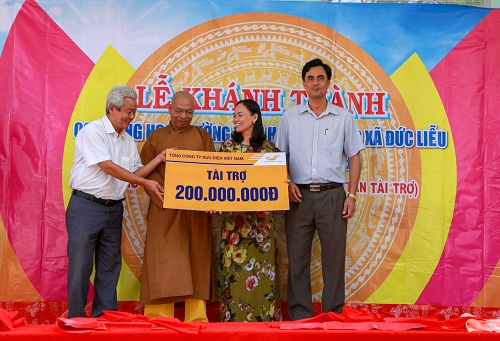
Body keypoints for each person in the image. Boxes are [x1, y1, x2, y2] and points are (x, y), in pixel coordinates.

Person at [274, 58, 364, 320]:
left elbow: (355, 157)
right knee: (297, 259)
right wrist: (287, 182)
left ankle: (332, 315)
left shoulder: (343, 117)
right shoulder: (290, 117)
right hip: (297, 196)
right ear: (304, 83)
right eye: (310, 78)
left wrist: (353, 195)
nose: (315, 83)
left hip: (334, 196)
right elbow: (280, 155)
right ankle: (300, 316)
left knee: (333, 260)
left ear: (328, 83)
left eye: (320, 78)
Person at [66, 85, 165, 318]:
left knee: (110, 266)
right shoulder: (93, 131)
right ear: (112, 108)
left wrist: (158, 160)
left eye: (134, 112)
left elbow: (135, 173)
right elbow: (108, 167)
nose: (132, 117)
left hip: (113, 208)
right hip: (85, 207)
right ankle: (77, 317)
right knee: (81, 266)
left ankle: (105, 316)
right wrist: (146, 184)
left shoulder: (128, 140)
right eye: (128, 112)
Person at [139, 90, 215, 322]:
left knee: (196, 258)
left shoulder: (203, 136)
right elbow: (145, 174)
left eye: (189, 112)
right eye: (179, 111)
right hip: (165, 207)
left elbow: (213, 173)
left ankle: (196, 318)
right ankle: (159, 318)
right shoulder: (156, 137)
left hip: (197, 209)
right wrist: (164, 193)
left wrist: (208, 198)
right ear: (169, 109)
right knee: (164, 258)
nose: (183, 116)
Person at [216, 99, 281, 322]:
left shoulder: (270, 150)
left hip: (261, 229)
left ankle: (264, 324)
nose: (236, 119)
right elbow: (216, 183)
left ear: (254, 117)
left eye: (240, 115)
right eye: (234, 115)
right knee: (232, 275)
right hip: (234, 226)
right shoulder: (226, 148)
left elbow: (279, 183)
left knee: (261, 277)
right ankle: (231, 324)